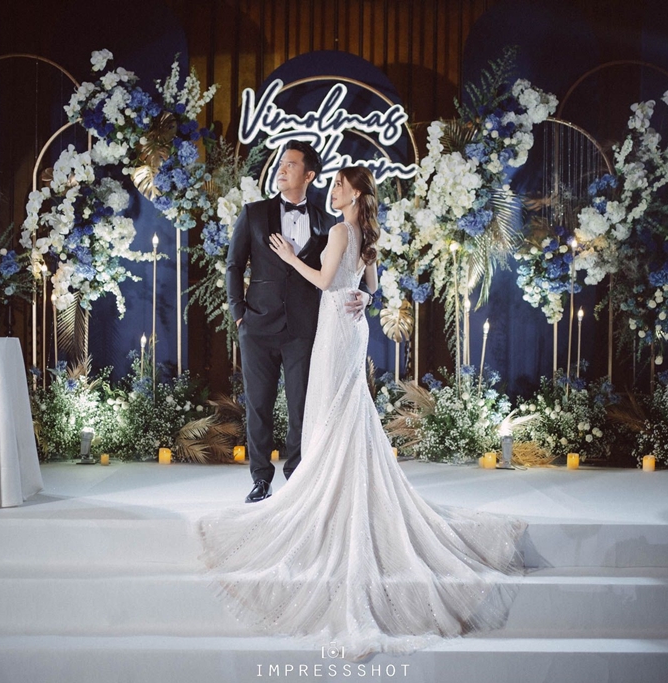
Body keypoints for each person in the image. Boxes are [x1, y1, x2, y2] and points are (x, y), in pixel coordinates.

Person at [200, 166, 527, 659]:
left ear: (354, 194)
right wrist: (366, 296)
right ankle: (339, 481)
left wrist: (290, 259)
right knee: (345, 408)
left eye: (339, 185)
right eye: (332, 183)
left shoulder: (338, 230)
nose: (332, 190)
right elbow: (371, 286)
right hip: (352, 329)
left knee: (331, 410)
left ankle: (329, 489)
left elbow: (323, 280)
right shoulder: (368, 235)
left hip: (335, 327)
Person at [226, 140, 369, 503]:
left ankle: (297, 476)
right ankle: (261, 479)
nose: (282, 169)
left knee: (303, 406)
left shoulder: (327, 222)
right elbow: (233, 265)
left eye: (291, 164)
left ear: (309, 175)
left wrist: (367, 296)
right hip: (257, 326)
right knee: (258, 406)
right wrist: (239, 314)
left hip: (306, 329)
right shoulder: (254, 213)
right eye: (281, 163)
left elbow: (350, 270)